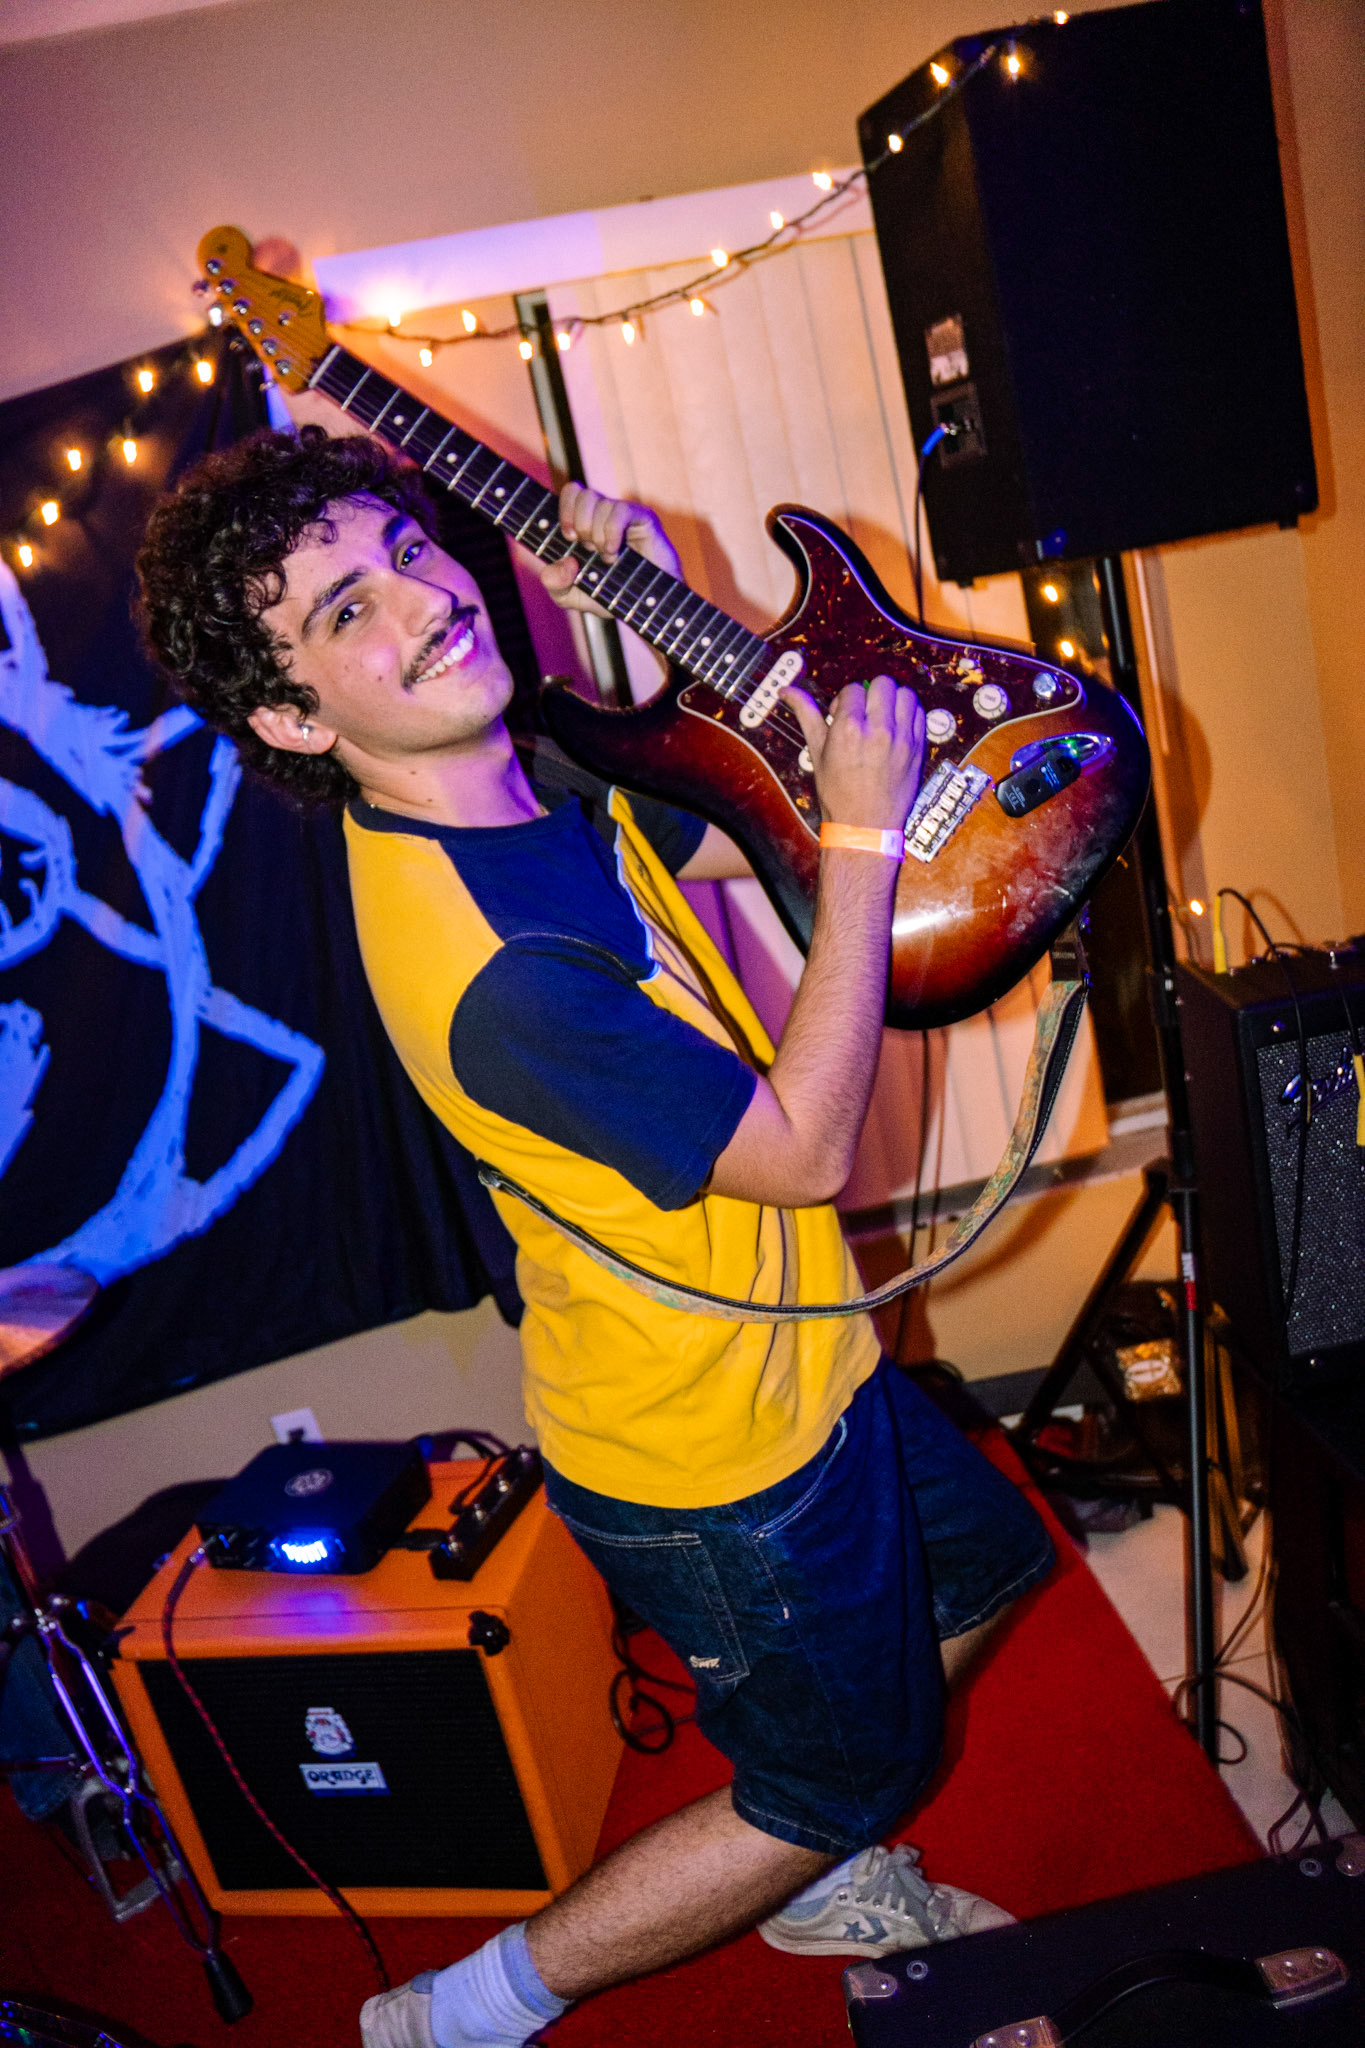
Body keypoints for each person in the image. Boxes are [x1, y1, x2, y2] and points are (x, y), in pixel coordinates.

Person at [136, 424, 1054, 2048]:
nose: (425, 601)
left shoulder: (519, 771)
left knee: (987, 1568)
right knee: (825, 1783)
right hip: (718, 1460)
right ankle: (460, 2014)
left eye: (407, 552)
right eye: (346, 613)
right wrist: (861, 837)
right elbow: (802, 1147)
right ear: (292, 718)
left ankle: (833, 1829)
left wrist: (631, 618)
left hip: (802, 1364)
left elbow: (705, 827)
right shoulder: (493, 976)